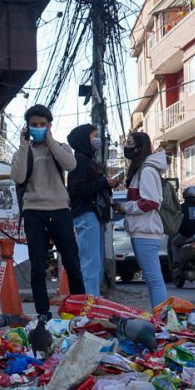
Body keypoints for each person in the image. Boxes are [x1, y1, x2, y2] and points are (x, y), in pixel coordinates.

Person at [11, 105, 85, 320]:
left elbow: (70, 165)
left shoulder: (60, 148)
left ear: (50, 126)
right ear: (27, 127)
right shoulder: (22, 152)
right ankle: (43, 313)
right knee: (37, 267)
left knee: (72, 263)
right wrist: (24, 145)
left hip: (60, 211)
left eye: (43, 124)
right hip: (34, 212)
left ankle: (79, 312)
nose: (39, 128)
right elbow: (17, 177)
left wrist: (50, 141)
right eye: (34, 125)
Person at [116, 131, 168, 308]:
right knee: (152, 278)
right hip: (142, 229)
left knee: (153, 278)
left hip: (145, 230)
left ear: (139, 147)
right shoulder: (144, 169)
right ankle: (161, 318)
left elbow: (150, 202)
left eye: (130, 143)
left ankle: (162, 319)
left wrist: (124, 207)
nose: (127, 147)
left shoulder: (146, 170)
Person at [67, 123, 119, 296]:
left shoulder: (89, 160)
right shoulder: (81, 160)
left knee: (94, 263)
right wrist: (103, 182)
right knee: (90, 264)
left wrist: (106, 183)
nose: (97, 139)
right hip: (86, 214)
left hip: (93, 215)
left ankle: (92, 301)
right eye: (94, 135)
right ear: (84, 139)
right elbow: (77, 189)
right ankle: (90, 305)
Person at [171, 186, 195, 268]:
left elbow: (176, 222)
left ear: (185, 195)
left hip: (186, 235)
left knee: (174, 244)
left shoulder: (181, 208)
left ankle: (176, 263)